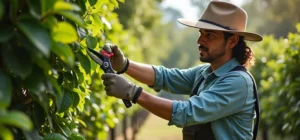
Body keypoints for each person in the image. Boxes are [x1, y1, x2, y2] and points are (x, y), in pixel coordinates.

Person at [100, 1, 262, 139]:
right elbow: (164, 77)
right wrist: (124, 65)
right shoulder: (204, 73)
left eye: (210, 35)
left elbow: (187, 112)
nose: (200, 40)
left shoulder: (238, 83)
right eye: (201, 33)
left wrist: (133, 92)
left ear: (232, 41)